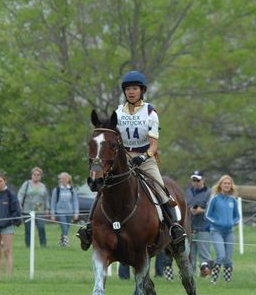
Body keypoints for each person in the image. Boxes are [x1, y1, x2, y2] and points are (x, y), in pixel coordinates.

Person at [77, 71, 187, 252]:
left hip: (146, 158)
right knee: (103, 188)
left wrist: (143, 157)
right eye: (128, 88)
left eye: (135, 88)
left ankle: (175, 228)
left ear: (141, 91)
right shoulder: (118, 113)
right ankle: (89, 227)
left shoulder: (150, 112)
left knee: (161, 190)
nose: (131, 92)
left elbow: (154, 146)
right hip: (122, 159)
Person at [206, 174, 240, 284]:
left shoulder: (233, 200)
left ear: (231, 186)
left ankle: (227, 282)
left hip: (229, 232)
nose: (227, 185)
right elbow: (207, 215)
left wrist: (232, 222)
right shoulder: (214, 199)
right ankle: (214, 279)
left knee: (228, 258)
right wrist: (217, 222)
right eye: (225, 183)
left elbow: (237, 216)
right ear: (220, 185)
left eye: (229, 183)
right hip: (216, 231)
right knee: (221, 255)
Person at [185, 170, 213, 276]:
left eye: (198, 180)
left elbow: (212, 210)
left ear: (203, 180)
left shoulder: (209, 192)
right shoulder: (188, 192)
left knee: (204, 254)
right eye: (194, 180)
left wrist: (201, 211)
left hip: (203, 227)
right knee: (190, 254)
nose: (195, 182)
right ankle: (190, 276)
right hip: (190, 227)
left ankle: (205, 276)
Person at [18, 167, 50, 248]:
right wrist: (19, 206)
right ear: (31, 175)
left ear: (40, 176)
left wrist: (47, 209)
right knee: (28, 229)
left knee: (41, 227)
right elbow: (20, 195)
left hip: (40, 211)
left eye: (38, 175)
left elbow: (46, 198)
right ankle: (29, 246)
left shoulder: (43, 186)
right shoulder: (26, 184)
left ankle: (43, 245)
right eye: (34, 174)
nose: (36, 176)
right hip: (27, 210)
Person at [50, 172, 79, 247]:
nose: (64, 180)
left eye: (65, 178)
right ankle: (66, 244)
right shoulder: (57, 190)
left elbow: (75, 202)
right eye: (62, 178)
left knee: (66, 228)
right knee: (64, 227)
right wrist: (52, 215)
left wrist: (76, 213)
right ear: (60, 180)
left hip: (70, 212)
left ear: (68, 179)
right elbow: (53, 203)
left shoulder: (72, 190)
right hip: (60, 212)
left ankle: (61, 243)